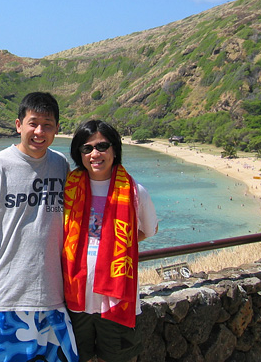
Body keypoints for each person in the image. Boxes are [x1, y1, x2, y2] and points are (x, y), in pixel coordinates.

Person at [0, 92, 78, 362]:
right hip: (8, 299)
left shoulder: (61, 165)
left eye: (47, 125)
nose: (39, 131)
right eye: (33, 123)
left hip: (56, 300)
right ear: (19, 125)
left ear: (57, 129)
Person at [62, 120, 158, 362]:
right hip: (75, 297)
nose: (95, 154)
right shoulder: (67, 189)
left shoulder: (135, 191)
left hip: (117, 299)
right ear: (79, 154)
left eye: (103, 146)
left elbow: (148, 230)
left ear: (115, 150)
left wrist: (114, 246)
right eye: (87, 148)